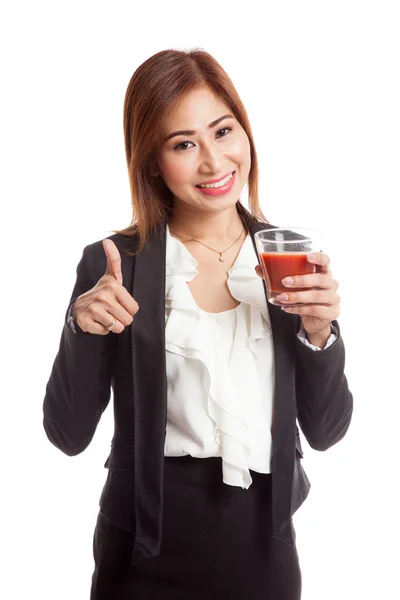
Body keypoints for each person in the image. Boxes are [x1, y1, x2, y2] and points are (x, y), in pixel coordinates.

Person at [42, 48, 353, 600]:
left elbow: (327, 431)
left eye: (224, 131)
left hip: (263, 550)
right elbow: (67, 435)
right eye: (184, 144)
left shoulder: (290, 260)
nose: (214, 162)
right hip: (142, 549)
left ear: (245, 133)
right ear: (152, 162)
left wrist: (320, 335)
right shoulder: (116, 263)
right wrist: (80, 328)